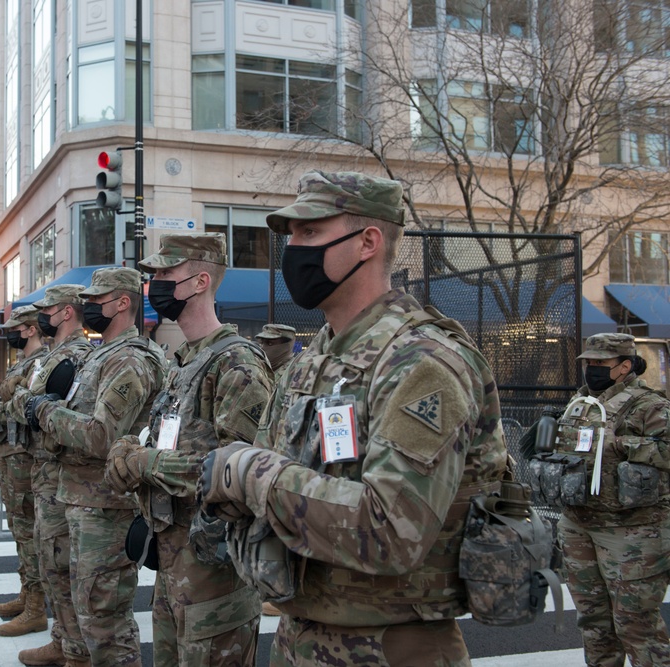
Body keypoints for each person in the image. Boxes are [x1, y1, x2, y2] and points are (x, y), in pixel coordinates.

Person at [198, 170, 508, 665]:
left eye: (311, 233)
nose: (293, 250)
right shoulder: (311, 361)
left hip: (390, 645)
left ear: (367, 242)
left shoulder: (422, 363)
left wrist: (251, 475)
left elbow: (392, 532)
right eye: (292, 235)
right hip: (300, 634)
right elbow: (257, 473)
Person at [104, 233, 272, 666]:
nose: (154, 283)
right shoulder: (184, 361)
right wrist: (131, 450)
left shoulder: (237, 364)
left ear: (200, 282)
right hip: (174, 560)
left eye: (165, 273)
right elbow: (166, 439)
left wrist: (145, 463)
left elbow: (239, 470)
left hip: (214, 571)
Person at [24, 267, 166, 667]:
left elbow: (101, 435)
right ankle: (72, 656)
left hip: (108, 505)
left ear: (123, 303)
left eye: (96, 300)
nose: (88, 307)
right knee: (84, 608)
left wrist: (46, 413)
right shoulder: (100, 354)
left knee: (106, 621)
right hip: (81, 496)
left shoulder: (130, 359)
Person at [549, 333, 670, 666]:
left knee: (636, 626)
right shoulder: (581, 402)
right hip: (579, 524)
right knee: (594, 625)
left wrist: (622, 443)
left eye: (600, 363)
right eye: (588, 363)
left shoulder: (650, 405)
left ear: (624, 366)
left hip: (632, 531)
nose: (591, 369)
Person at [5, 285, 95, 667]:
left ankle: (74, 647)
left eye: (50, 309)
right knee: (50, 560)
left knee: (63, 566)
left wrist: (21, 403)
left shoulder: (74, 355)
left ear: (67, 313)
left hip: (60, 472)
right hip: (43, 467)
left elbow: (33, 403)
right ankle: (63, 639)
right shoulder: (55, 355)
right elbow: (24, 401)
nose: (44, 316)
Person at [0, 304, 50, 638]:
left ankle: (36, 607)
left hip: (24, 455)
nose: (10, 334)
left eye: (16, 328)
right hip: (9, 452)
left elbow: (22, 407)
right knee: (18, 527)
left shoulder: (39, 363)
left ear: (31, 329)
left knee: (27, 526)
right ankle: (27, 593)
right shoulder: (22, 363)